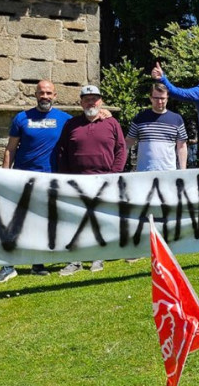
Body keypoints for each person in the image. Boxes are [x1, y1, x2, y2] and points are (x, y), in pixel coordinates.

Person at [0, 80, 72, 283]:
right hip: (22, 178)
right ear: (35, 95)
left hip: (49, 178)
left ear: (55, 95)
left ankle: (37, 264)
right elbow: (11, 148)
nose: (45, 96)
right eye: (41, 93)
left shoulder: (65, 119)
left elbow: (86, 125)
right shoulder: (22, 118)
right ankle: (8, 266)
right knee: (15, 222)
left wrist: (104, 113)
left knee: (40, 223)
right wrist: (4, 175)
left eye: (48, 93)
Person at [56, 85, 127, 275]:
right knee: (75, 220)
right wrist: (66, 177)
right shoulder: (71, 125)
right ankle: (75, 260)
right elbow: (62, 152)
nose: (91, 102)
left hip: (104, 179)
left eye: (94, 99)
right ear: (80, 102)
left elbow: (121, 150)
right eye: (87, 99)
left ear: (101, 101)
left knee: (99, 219)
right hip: (76, 180)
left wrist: (114, 174)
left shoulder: (112, 124)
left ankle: (98, 257)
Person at [125, 83, 188, 171]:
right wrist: (119, 168)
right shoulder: (140, 118)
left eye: (162, 98)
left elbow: (181, 146)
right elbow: (127, 143)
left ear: (167, 98)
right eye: (156, 98)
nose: (159, 102)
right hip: (144, 172)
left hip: (169, 173)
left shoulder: (177, 119)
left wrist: (183, 170)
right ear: (150, 98)